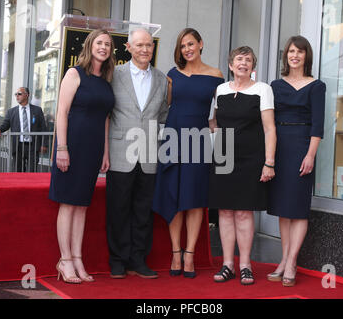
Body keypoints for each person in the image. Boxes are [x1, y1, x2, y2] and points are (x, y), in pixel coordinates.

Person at [152, 28, 224, 279]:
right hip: (172, 138)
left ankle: (190, 253)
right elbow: (164, 106)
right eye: (183, 46)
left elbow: (225, 109)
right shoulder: (172, 74)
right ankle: (175, 252)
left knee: (193, 199)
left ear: (201, 44)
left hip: (199, 141)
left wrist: (213, 123)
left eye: (191, 44)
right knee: (173, 195)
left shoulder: (216, 75)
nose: (187, 49)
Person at [49, 29, 115, 284]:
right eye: (99, 42)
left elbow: (106, 119)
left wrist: (106, 151)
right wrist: (62, 148)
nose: (104, 47)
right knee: (68, 203)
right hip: (72, 145)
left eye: (108, 44)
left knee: (82, 205)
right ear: (90, 46)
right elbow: (62, 113)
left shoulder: (107, 81)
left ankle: (77, 258)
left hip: (93, 148)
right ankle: (64, 260)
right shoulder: (74, 74)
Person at [209, 46, 276, 285]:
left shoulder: (262, 90)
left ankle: (245, 264)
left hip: (252, 159)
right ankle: (228, 265)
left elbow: (270, 128)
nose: (243, 63)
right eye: (239, 59)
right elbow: (213, 122)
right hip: (223, 158)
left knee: (244, 212)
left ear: (252, 67)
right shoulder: (220, 89)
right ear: (230, 65)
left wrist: (269, 162)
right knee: (225, 211)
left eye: (248, 60)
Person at [106, 28, 169, 280]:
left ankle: (138, 259)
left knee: (144, 210)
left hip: (149, 153)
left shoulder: (162, 79)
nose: (145, 49)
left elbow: (163, 116)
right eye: (139, 45)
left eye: (149, 45)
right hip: (120, 151)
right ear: (128, 47)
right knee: (118, 209)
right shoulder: (114, 74)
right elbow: (106, 114)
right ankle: (118, 260)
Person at [267, 36, 326, 287]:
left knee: (298, 208)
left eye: (300, 52)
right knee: (283, 208)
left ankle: (292, 262)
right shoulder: (275, 85)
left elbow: (318, 125)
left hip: (303, 146)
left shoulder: (316, 86)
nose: (295, 55)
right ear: (286, 56)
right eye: (291, 51)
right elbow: (268, 122)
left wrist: (311, 154)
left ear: (306, 56)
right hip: (280, 147)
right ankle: (283, 259)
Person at [0, 87, 47, 172]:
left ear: (27, 95)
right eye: (16, 94)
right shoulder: (11, 112)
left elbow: (43, 128)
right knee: (18, 171)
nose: (17, 96)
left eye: (19, 94)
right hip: (18, 146)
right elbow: (5, 124)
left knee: (32, 171)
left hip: (33, 146)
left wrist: (44, 144)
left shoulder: (37, 110)